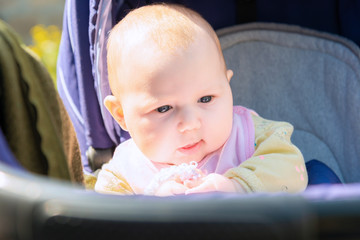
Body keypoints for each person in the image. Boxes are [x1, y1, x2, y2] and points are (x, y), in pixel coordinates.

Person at [94, 3, 308, 196]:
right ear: (121, 115)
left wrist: (237, 186)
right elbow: (103, 221)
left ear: (227, 86)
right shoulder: (122, 175)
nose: (190, 123)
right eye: (163, 108)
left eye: (206, 99)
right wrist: (152, 207)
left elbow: (292, 170)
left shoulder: (250, 134)